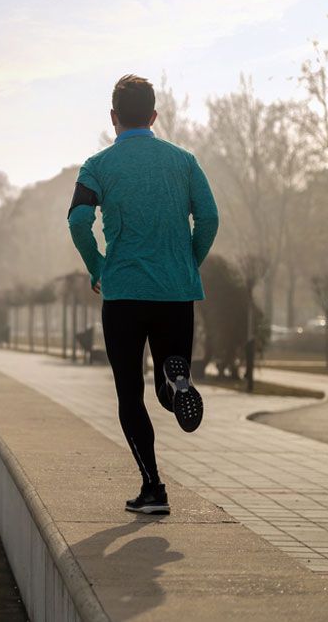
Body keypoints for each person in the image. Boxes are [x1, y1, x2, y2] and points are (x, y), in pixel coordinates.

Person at [67, 74, 218, 515]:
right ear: (153, 116)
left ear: (113, 118)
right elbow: (209, 219)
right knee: (167, 390)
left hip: (124, 295)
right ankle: (176, 379)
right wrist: (187, 262)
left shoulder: (96, 167)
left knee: (129, 394)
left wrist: (99, 268)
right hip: (175, 292)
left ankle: (153, 488)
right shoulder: (185, 162)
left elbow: (77, 222)